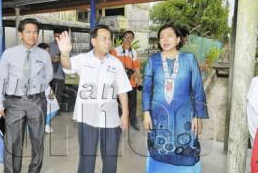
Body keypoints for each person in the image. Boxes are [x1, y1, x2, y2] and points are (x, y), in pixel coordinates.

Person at [57, 25, 131, 173]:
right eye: (104, 39)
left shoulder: (116, 63)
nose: (108, 42)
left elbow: (122, 89)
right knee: (87, 158)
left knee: (110, 158)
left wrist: (125, 114)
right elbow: (67, 65)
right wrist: (64, 54)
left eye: (110, 39)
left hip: (110, 119)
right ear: (94, 41)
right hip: (87, 118)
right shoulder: (83, 59)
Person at [142, 23, 209, 173]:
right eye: (161, 37)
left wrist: (198, 116)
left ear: (178, 39)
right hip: (159, 116)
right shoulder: (153, 60)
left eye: (169, 36)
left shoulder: (189, 59)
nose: (165, 39)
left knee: (185, 149)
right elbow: (146, 89)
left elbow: (198, 88)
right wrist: (146, 112)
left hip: (184, 117)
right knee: (159, 150)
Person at [0, 18, 53, 173]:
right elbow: (0, 79)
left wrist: (36, 87)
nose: (32, 35)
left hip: (37, 102)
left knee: (37, 141)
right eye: (28, 32)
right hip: (14, 103)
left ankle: (34, 170)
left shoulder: (43, 55)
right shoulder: (9, 53)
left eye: (35, 32)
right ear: (21, 34)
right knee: (12, 143)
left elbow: (49, 75)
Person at [111, 30, 142, 130]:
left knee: (133, 104)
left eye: (130, 37)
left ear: (132, 39)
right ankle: (121, 123)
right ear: (122, 38)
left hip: (131, 83)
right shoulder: (115, 50)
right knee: (119, 104)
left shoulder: (134, 52)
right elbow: (112, 66)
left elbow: (137, 67)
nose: (128, 39)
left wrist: (139, 80)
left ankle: (133, 121)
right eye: (126, 37)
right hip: (119, 83)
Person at [37, 42, 60, 133]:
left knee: (54, 105)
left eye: (48, 52)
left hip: (47, 89)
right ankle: (40, 126)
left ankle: (45, 124)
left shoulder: (47, 60)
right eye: (46, 51)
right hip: (37, 89)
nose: (47, 53)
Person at [49, 28, 68, 110]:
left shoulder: (67, 46)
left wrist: (60, 58)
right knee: (49, 92)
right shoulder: (50, 45)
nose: (57, 38)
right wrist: (51, 58)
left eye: (59, 36)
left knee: (58, 92)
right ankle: (50, 108)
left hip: (60, 74)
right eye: (55, 36)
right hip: (49, 73)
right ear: (53, 35)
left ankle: (57, 109)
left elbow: (70, 59)